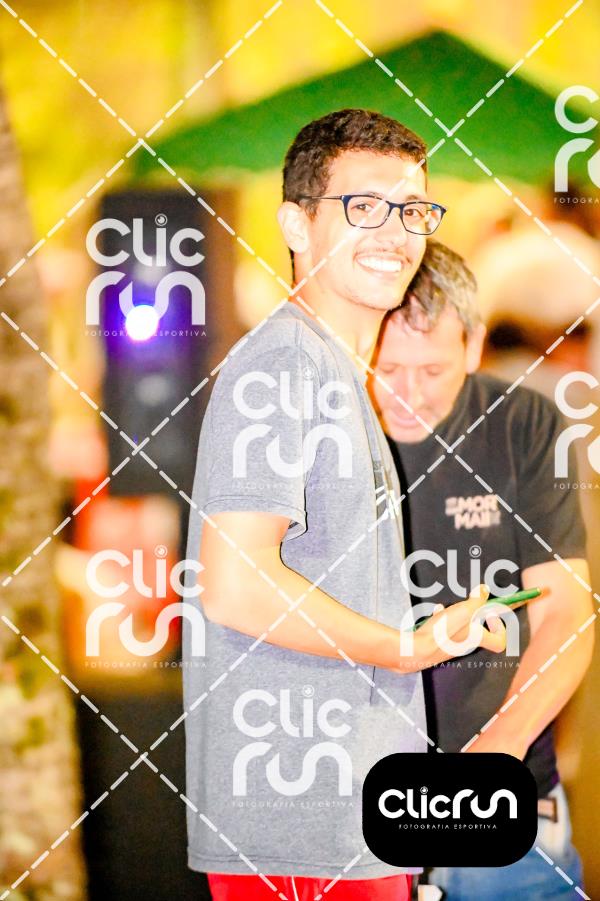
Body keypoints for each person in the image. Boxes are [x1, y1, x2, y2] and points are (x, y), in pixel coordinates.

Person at [182, 110, 506, 901]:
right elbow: (234, 583)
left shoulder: (331, 369)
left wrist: (425, 632)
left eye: (413, 210)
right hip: (300, 825)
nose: (395, 233)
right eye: (364, 207)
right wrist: (402, 645)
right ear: (296, 224)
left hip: (349, 817)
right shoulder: (284, 365)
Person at [370, 240, 594, 900]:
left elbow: (565, 610)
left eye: (432, 369)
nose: (406, 394)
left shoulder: (524, 422)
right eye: (387, 368)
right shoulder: (330, 432)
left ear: (473, 346)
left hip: (509, 801)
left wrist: (494, 756)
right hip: (356, 804)